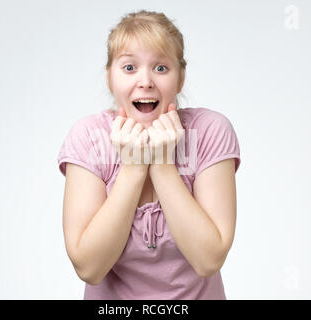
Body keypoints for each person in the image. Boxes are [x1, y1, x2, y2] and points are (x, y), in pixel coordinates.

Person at [57, 10, 241, 300]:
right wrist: (132, 170)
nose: (145, 81)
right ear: (110, 78)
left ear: (180, 79)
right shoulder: (88, 137)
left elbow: (208, 260)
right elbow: (89, 268)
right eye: (129, 68)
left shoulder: (209, 131)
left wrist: (163, 165)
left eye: (161, 68)